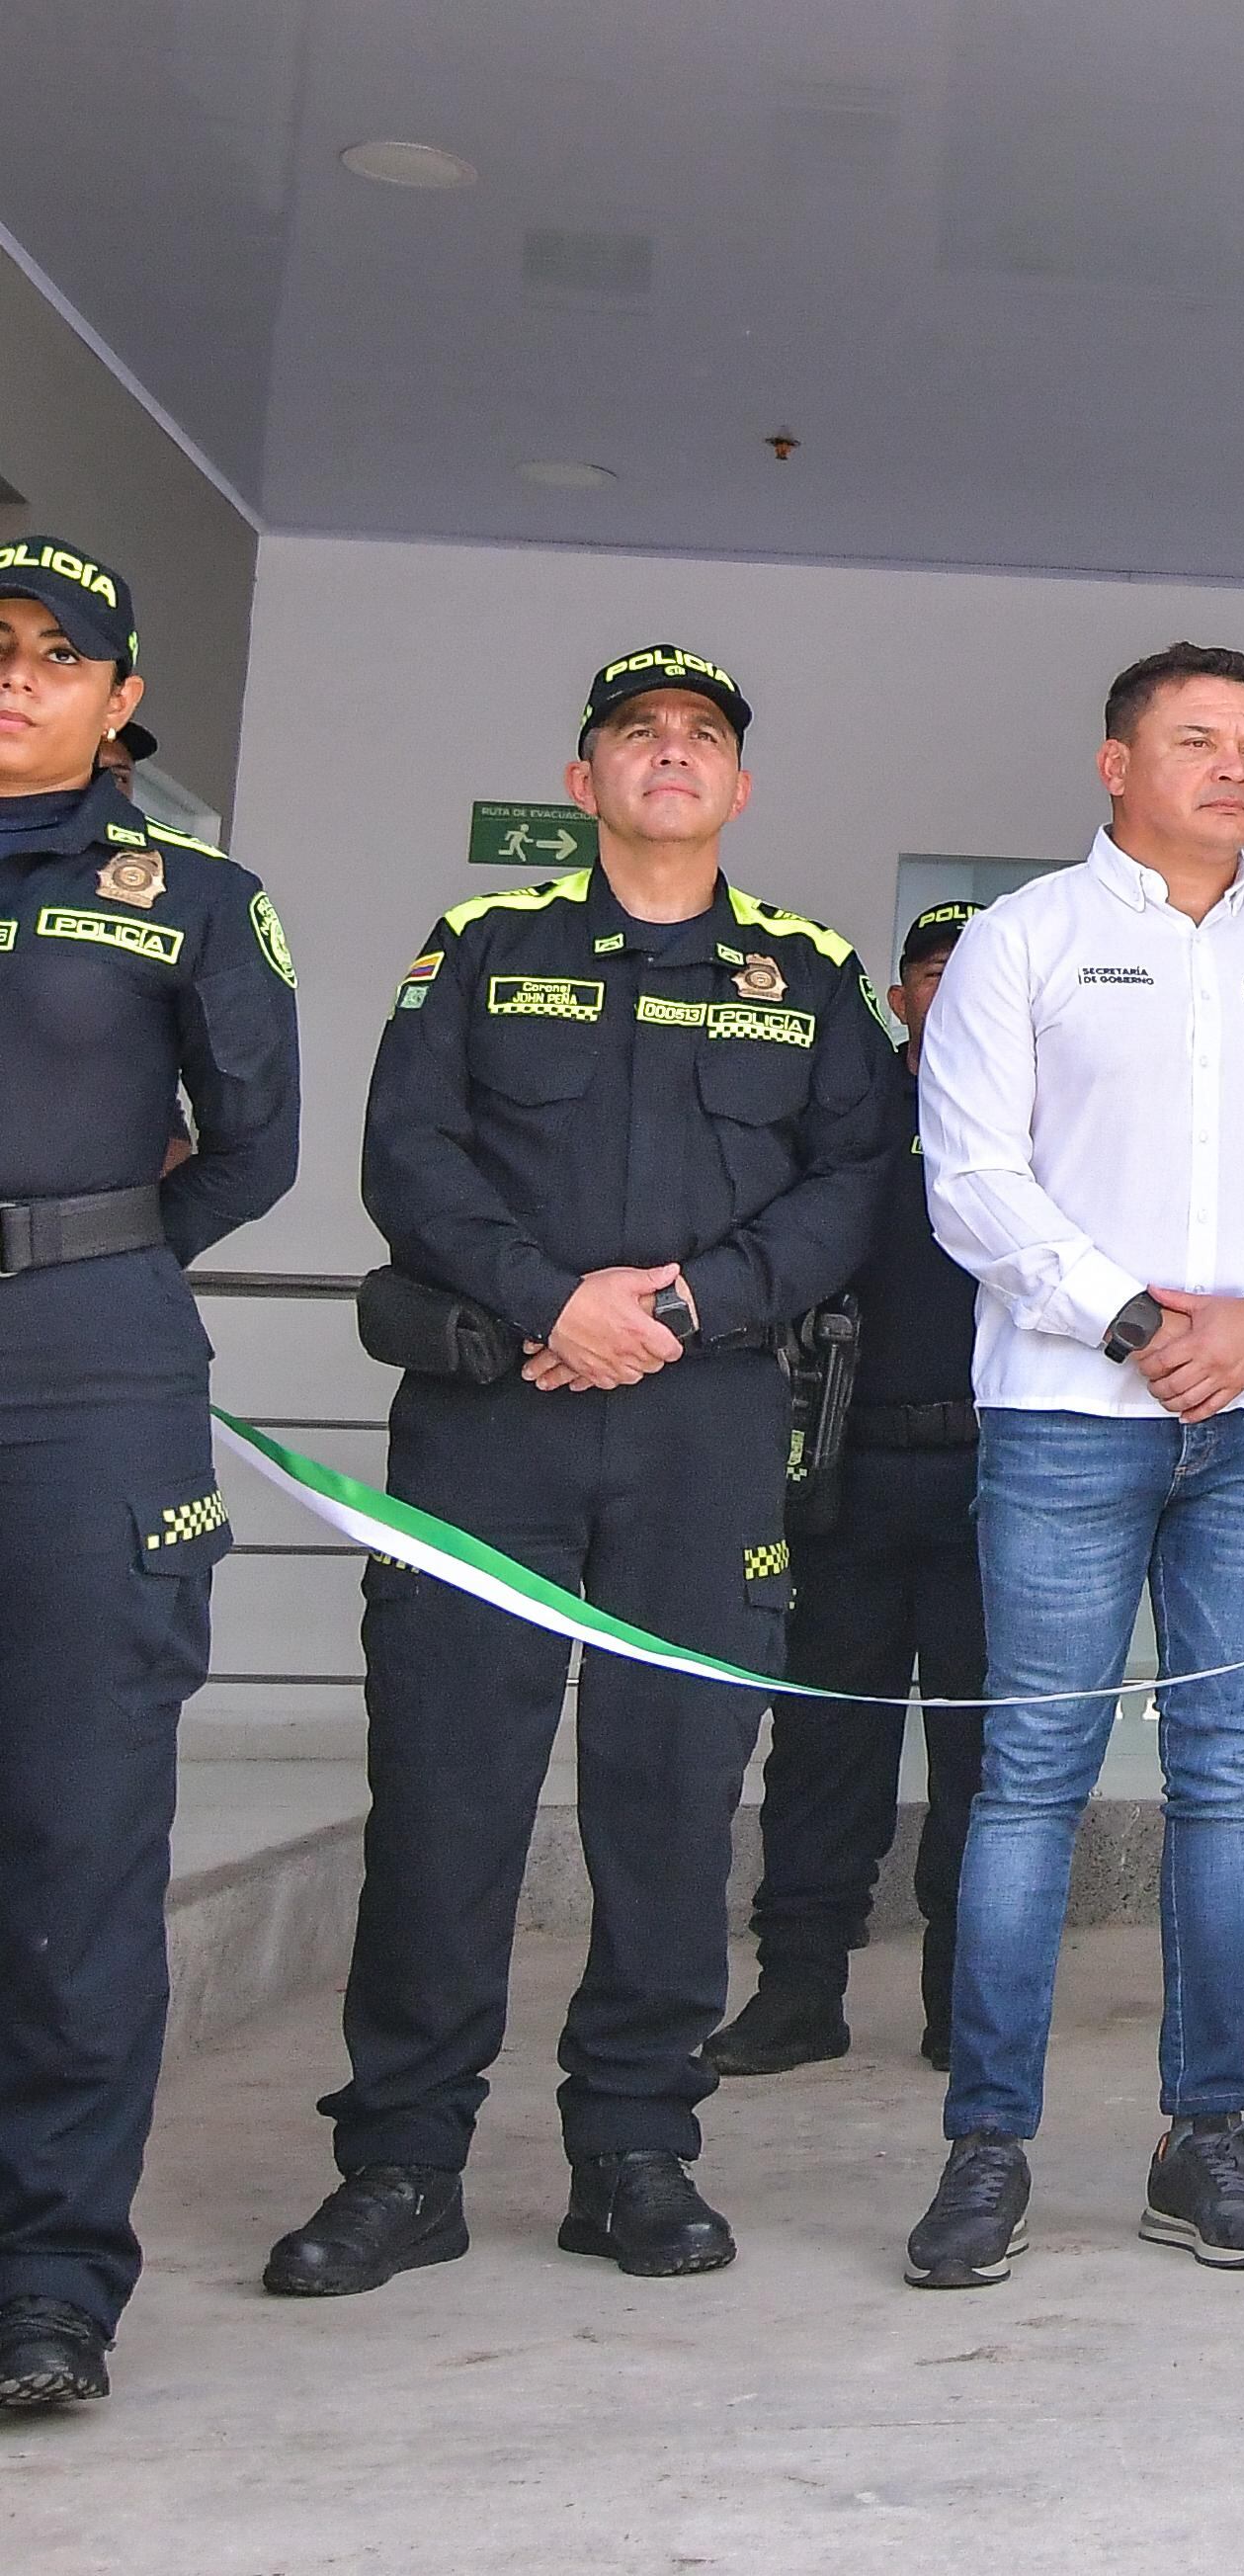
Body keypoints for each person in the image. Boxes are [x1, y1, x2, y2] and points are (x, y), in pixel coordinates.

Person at [266, 645, 901, 2299]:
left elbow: (852, 1190)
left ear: (740, 787)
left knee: (671, 1801)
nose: (672, 757)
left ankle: (634, 2148)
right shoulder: (484, 948)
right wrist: (554, 1300)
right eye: (639, 736)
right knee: (447, 1795)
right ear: (584, 779)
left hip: (703, 1427)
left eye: (703, 739)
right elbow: (410, 1153)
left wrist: (680, 1307)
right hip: (494, 1419)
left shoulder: (810, 972)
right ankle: (402, 2159)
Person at [898, 643, 1244, 2290]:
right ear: (1116, 764)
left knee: (1227, 1787)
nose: (1231, 769)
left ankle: (1209, 2140)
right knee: (1031, 1780)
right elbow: (968, 1173)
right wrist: (1125, 1319)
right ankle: (988, 2150)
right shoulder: (1023, 942)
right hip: (1064, 1416)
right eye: (1194, 740)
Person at [0, 538, 298, 2407]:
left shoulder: (189, 894)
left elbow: (249, 1146)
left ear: (119, 700)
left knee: (75, 1838)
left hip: (84, 1372)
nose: (14, 674)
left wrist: (91, 1252)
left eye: (53, 653)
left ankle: (47, 2279)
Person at [707, 899, 994, 2079]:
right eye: (932, 970)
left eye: (974, 970)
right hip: (847, 1465)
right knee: (824, 1741)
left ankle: (963, 2001)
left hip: (1003, 1475)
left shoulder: (1047, 1115)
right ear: (897, 993)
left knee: (989, 1757)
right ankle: (799, 1988)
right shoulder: (846, 1109)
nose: (951, 989)